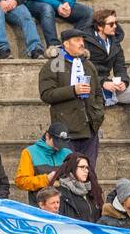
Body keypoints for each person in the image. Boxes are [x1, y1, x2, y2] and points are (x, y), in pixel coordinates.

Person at [39, 28, 105, 166]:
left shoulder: (88, 65)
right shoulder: (55, 64)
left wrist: (98, 114)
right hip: (66, 130)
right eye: (77, 40)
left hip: (90, 129)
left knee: (89, 172)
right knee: (70, 172)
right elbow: (46, 94)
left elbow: (98, 93)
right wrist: (73, 90)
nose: (82, 43)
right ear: (66, 44)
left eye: (82, 40)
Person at [85, 8, 130, 136]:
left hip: (108, 86)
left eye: (115, 23)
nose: (115, 26)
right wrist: (102, 83)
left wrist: (123, 81)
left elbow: (120, 67)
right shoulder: (85, 41)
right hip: (92, 86)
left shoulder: (115, 42)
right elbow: (83, 70)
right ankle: (92, 132)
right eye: (111, 24)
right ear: (100, 27)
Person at [14, 123, 72, 204]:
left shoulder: (67, 153)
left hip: (66, 204)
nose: (59, 147)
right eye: (56, 142)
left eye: (63, 143)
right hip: (41, 206)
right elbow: (21, 181)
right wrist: (46, 179)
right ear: (47, 136)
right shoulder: (29, 152)